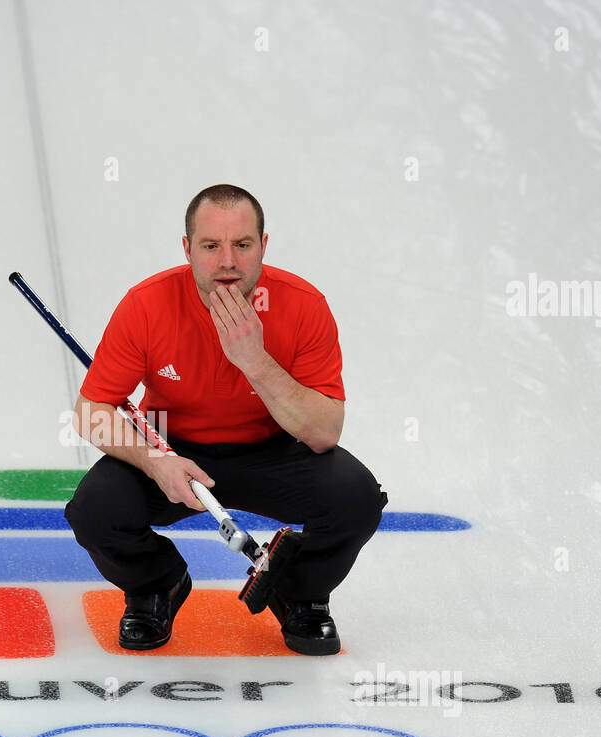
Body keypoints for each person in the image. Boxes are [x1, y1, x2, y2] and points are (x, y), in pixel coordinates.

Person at [65, 184, 387, 655]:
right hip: (172, 447)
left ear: (263, 245)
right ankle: (157, 584)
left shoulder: (303, 304)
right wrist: (155, 461)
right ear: (188, 249)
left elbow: (324, 433)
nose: (227, 262)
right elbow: (91, 413)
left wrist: (253, 360)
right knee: (94, 512)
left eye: (242, 244)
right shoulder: (147, 304)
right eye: (211, 246)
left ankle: (299, 591)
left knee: (356, 498)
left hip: (275, 448)